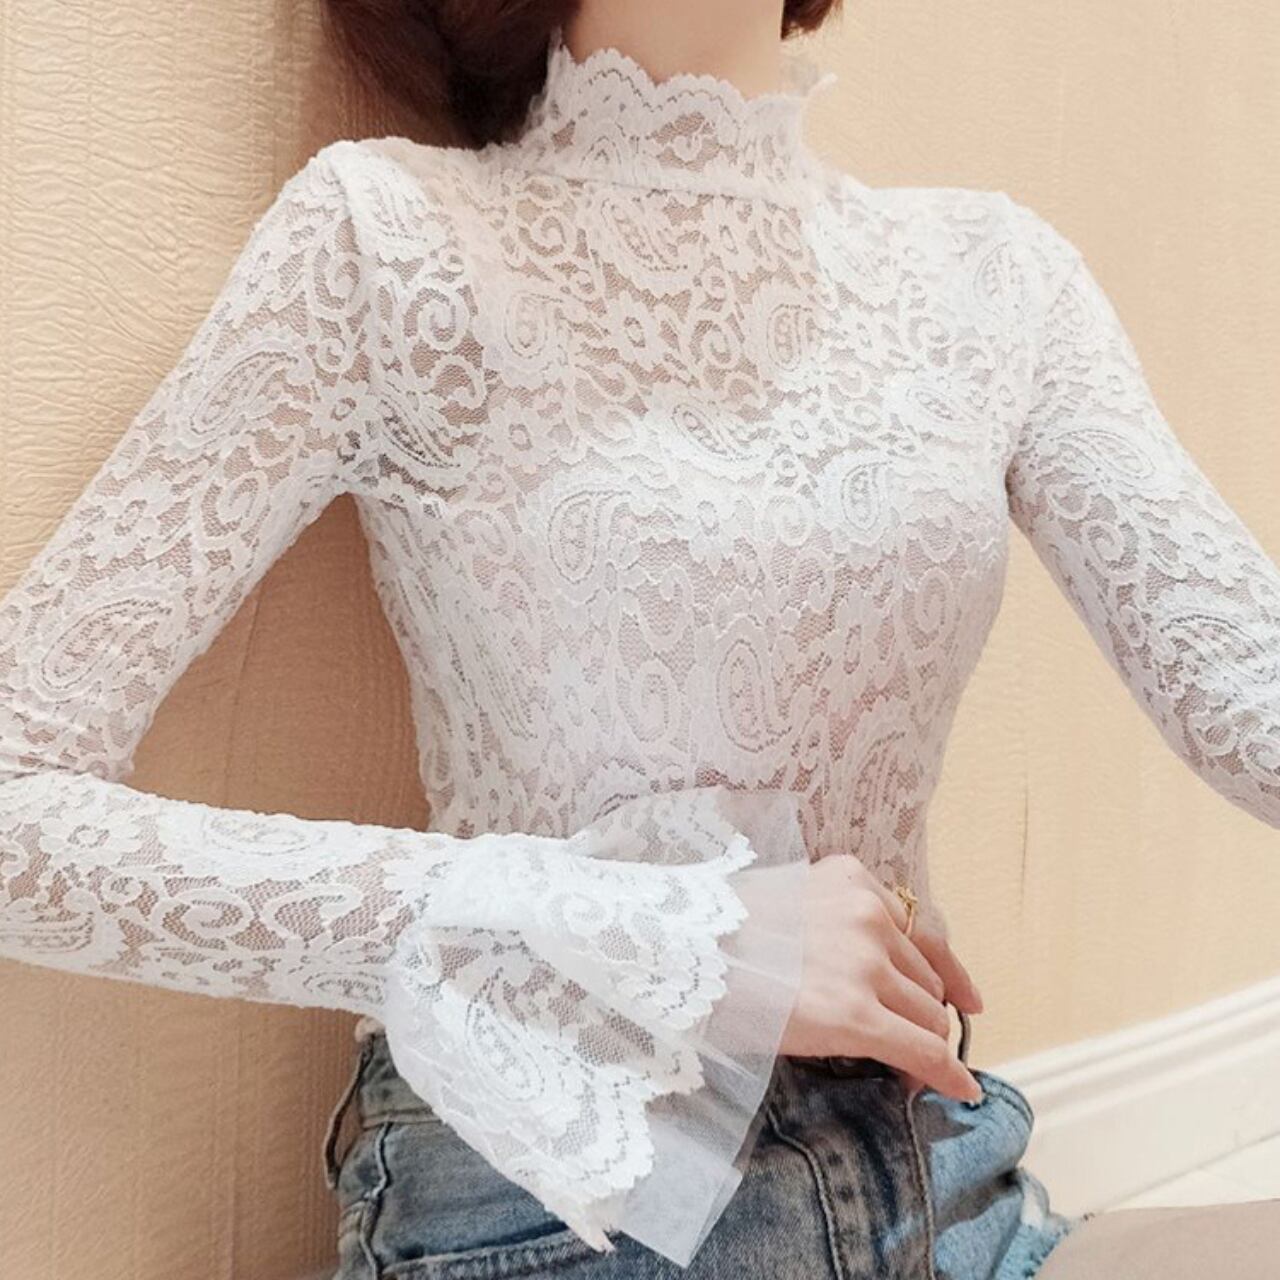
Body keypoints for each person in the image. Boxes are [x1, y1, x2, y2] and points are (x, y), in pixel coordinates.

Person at [1, 0, 1277, 1276]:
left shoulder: (994, 275)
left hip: (940, 1173)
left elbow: (1242, 691)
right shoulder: (392, 238)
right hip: (559, 1190)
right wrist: (664, 932)